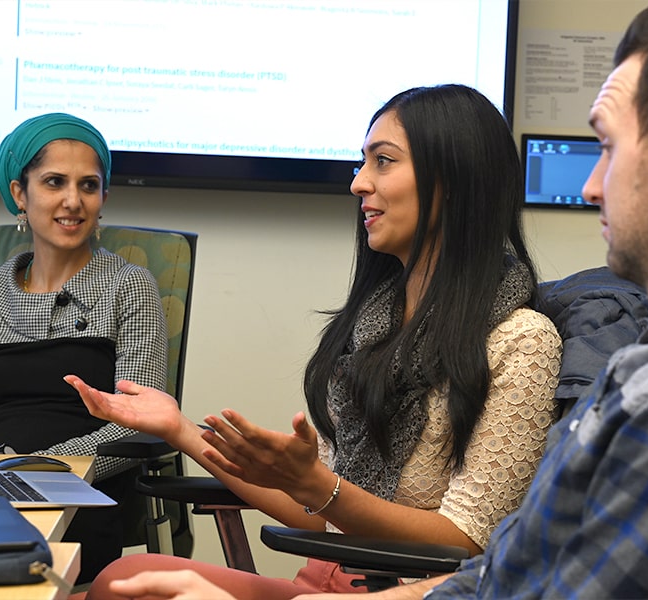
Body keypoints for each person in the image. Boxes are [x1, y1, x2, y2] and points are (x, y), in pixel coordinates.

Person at [64, 83, 563, 599]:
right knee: (124, 581)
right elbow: (317, 513)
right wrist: (179, 429)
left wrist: (318, 486)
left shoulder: (521, 342)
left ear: (453, 182)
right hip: (324, 579)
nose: (358, 184)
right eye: (361, 163)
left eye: (383, 161)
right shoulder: (374, 325)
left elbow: (470, 543)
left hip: (404, 594)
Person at [0, 113, 169, 582]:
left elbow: (139, 422)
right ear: (20, 193)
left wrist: (48, 471)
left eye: (89, 185)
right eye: (55, 182)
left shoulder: (129, 287)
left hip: (82, 497)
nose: (73, 201)